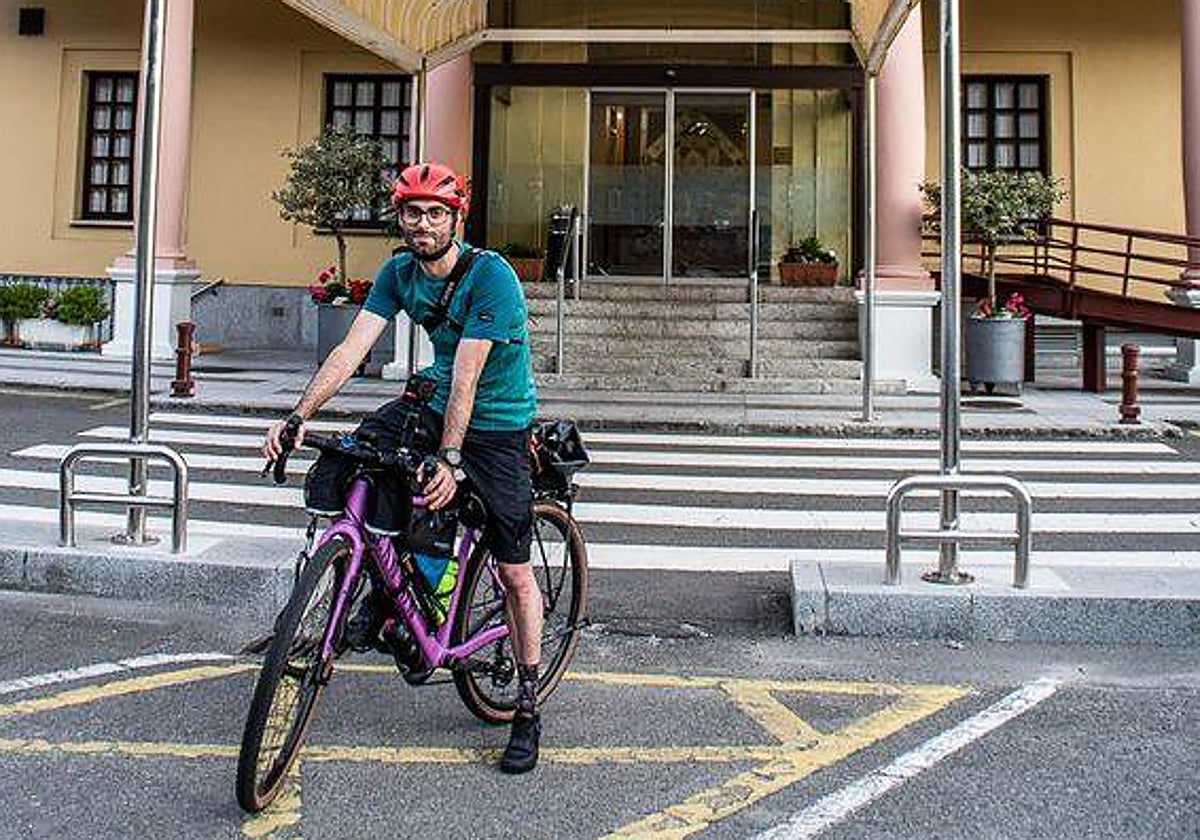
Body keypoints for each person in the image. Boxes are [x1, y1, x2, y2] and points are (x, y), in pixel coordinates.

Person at [262, 161, 543, 774]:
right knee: (355, 458)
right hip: (436, 400)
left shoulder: (490, 277)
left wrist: (449, 458)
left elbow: (469, 372)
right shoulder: (398, 273)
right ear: (401, 218)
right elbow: (351, 347)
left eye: (435, 213)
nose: (422, 224)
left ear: (456, 219)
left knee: (515, 570)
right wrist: (298, 415)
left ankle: (526, 701)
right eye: (412, 212)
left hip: (495, 423)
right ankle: (386, 597)